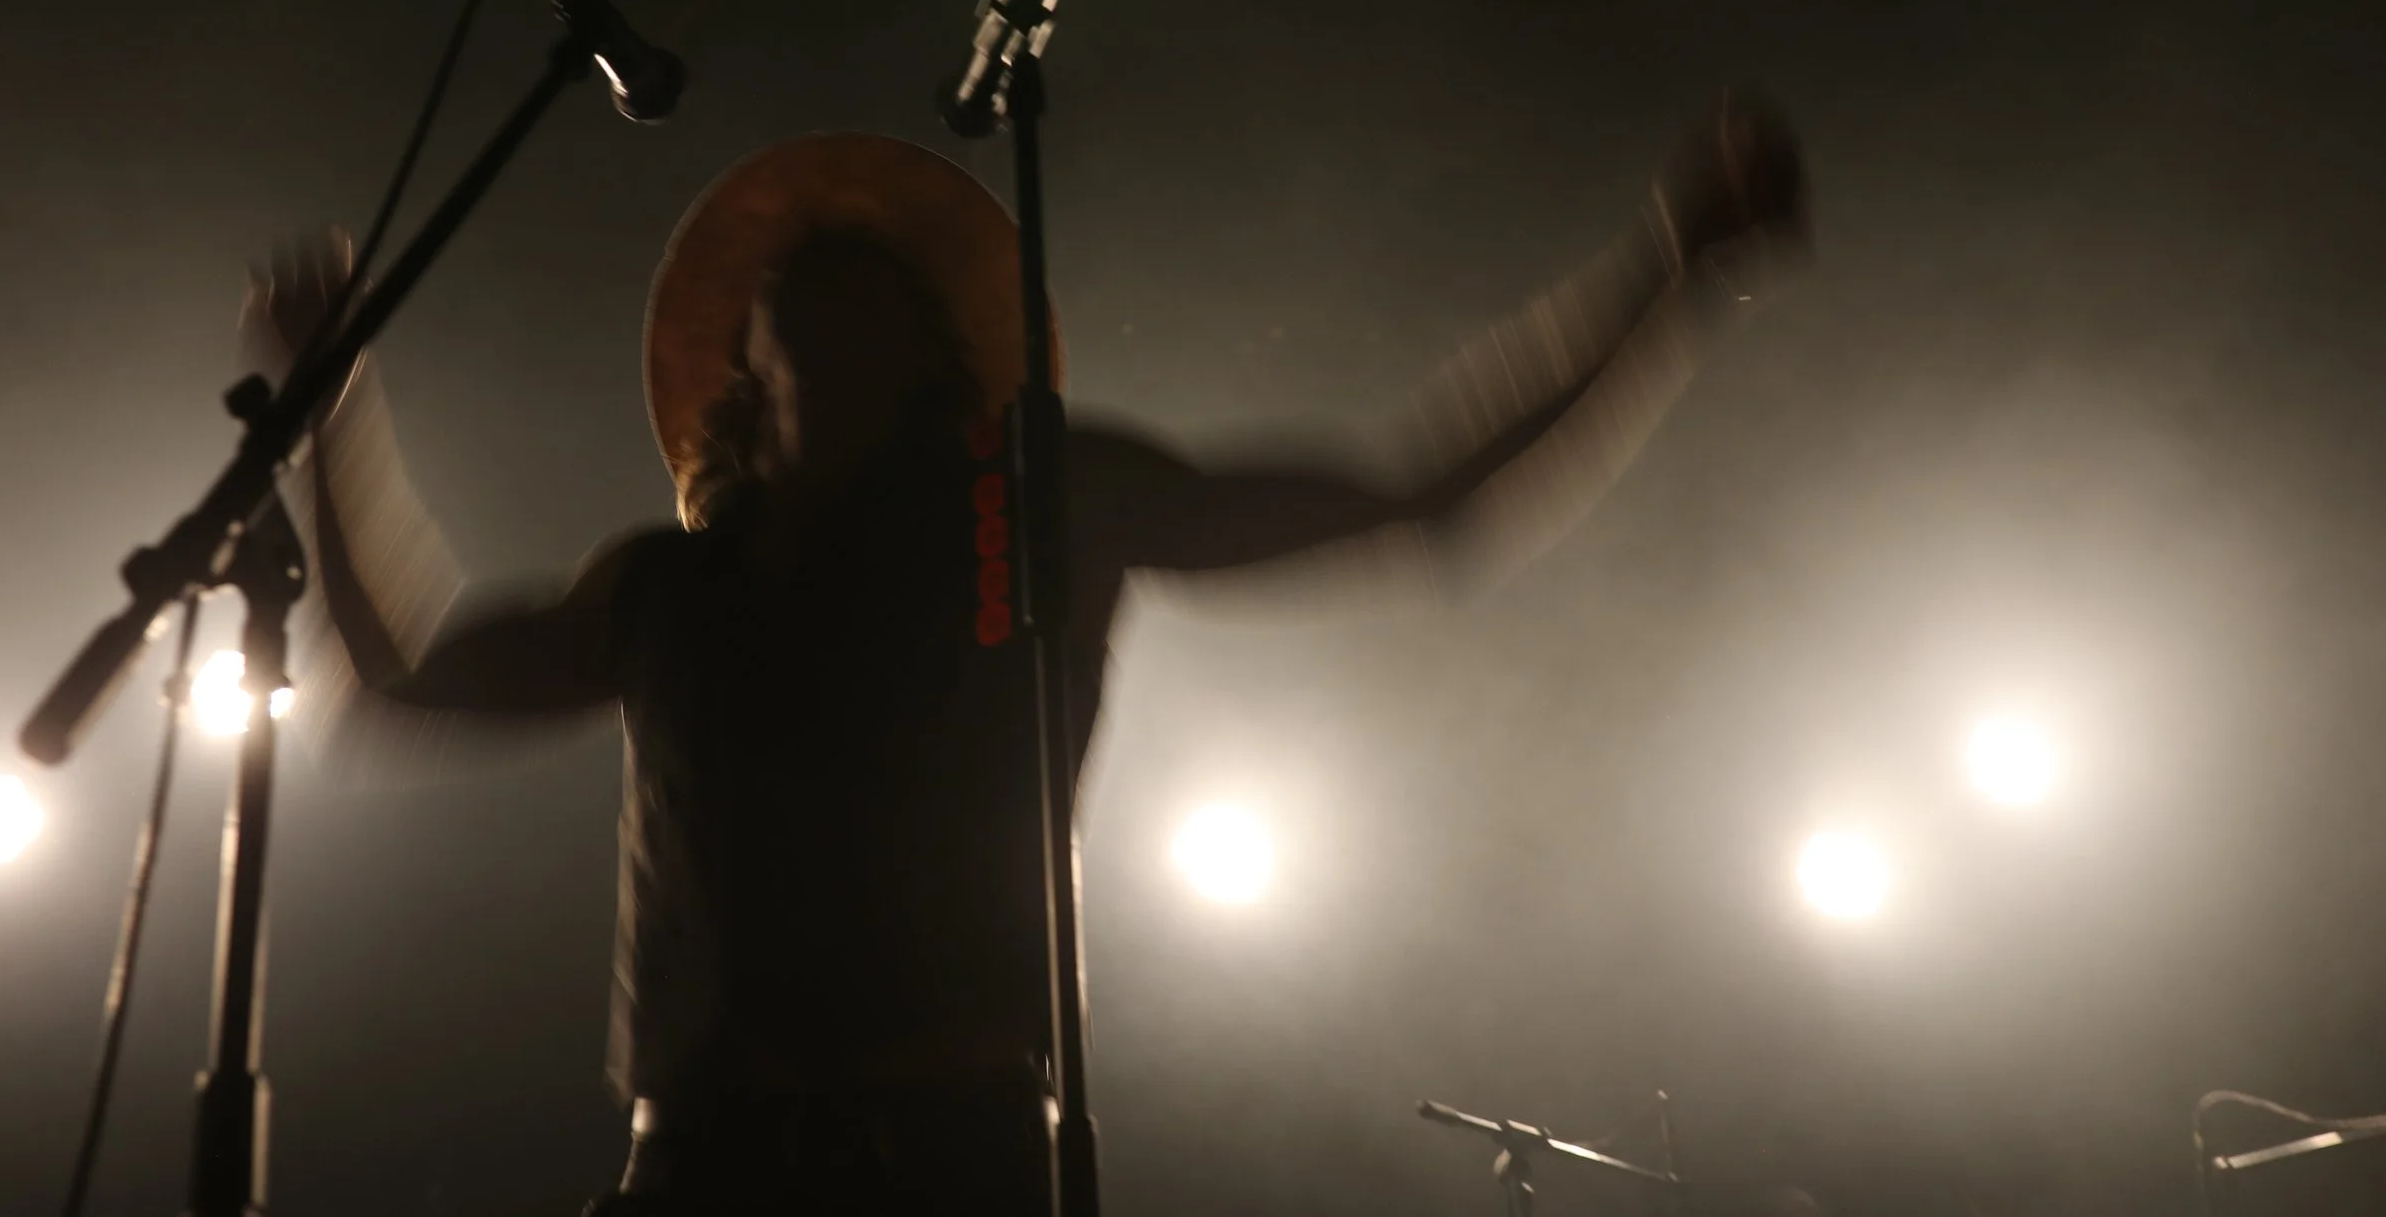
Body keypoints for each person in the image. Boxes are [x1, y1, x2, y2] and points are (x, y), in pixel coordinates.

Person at [244, 96, 1809, 1216]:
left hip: (957, 1148)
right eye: (807, 300)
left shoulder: (1043, 501)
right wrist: (330, 410)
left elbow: (1420, 494)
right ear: (750, 362)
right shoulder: (665, 588)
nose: (840, 317)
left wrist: (1667, 275)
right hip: (704, 1158)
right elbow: (394, 680)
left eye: (879, 300)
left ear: (943, 351)